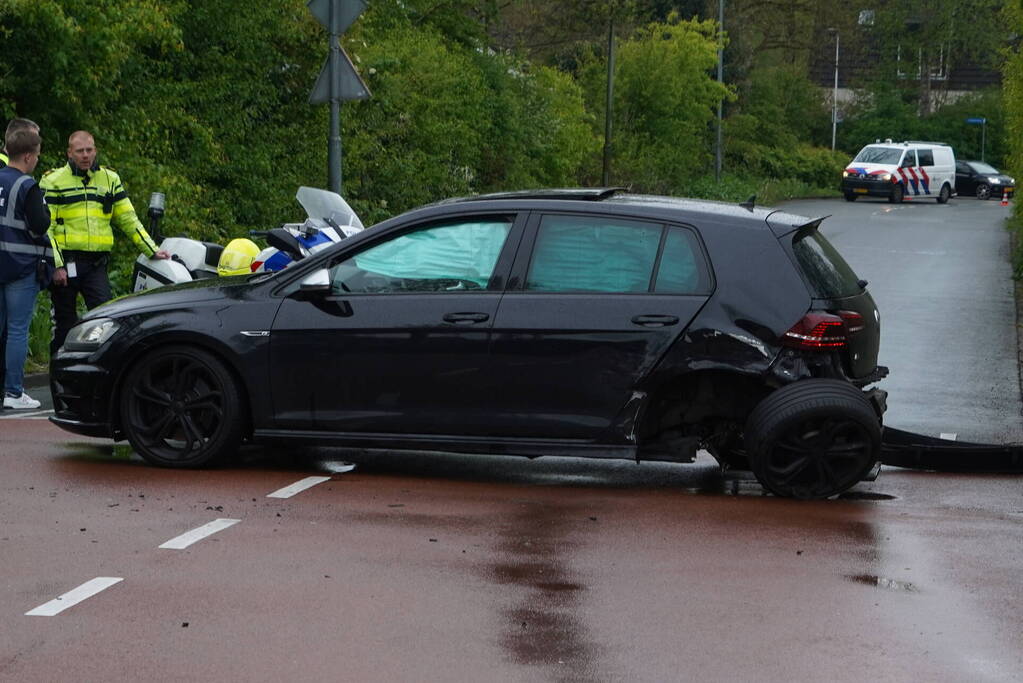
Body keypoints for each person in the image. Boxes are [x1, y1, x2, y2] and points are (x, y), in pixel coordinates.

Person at [40, 130, 169, 355]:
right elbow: (46, 227)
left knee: (107, 321)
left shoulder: (110, 179)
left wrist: (152, 250)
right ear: (69, 153)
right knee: (63, 325)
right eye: (80, 151)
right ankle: (59, 377)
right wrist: (57, 264)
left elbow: (128, 218)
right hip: (66, 264)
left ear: (95, 150)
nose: (85, 155)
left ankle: (99, 375)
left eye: (89, 150)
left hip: (95, 264)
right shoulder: (53, 181)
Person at [0, 127, 53, 409]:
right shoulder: (27, 185)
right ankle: (14, 392)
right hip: (20, 267)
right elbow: (40, 224)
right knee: (18, 330)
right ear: (29, 156)